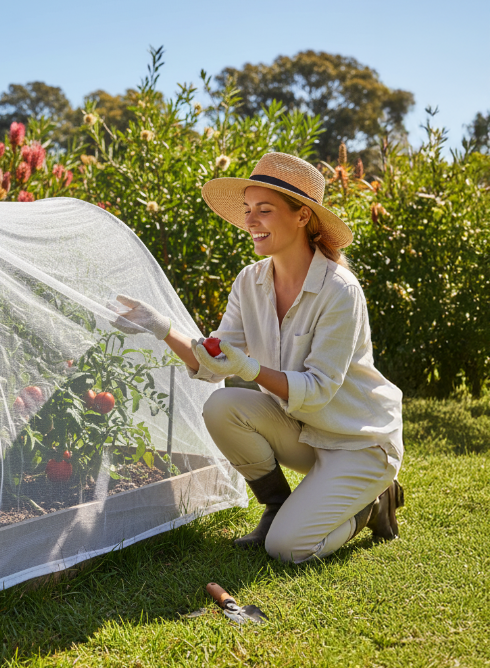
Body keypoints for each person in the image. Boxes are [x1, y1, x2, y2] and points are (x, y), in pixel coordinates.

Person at [113, 151, 404, 563]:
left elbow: (319, 389)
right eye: (248, 210)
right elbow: (210, 364)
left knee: (288, 549)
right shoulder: (250, 282)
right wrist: (160, 327)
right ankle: (276, 506)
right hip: (305, 432)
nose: (250, 221)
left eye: (263, 210)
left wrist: (249, 368)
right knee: (222, 406)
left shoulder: (339, 290)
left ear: (302, 216)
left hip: (357, 441)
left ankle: (370, 503)